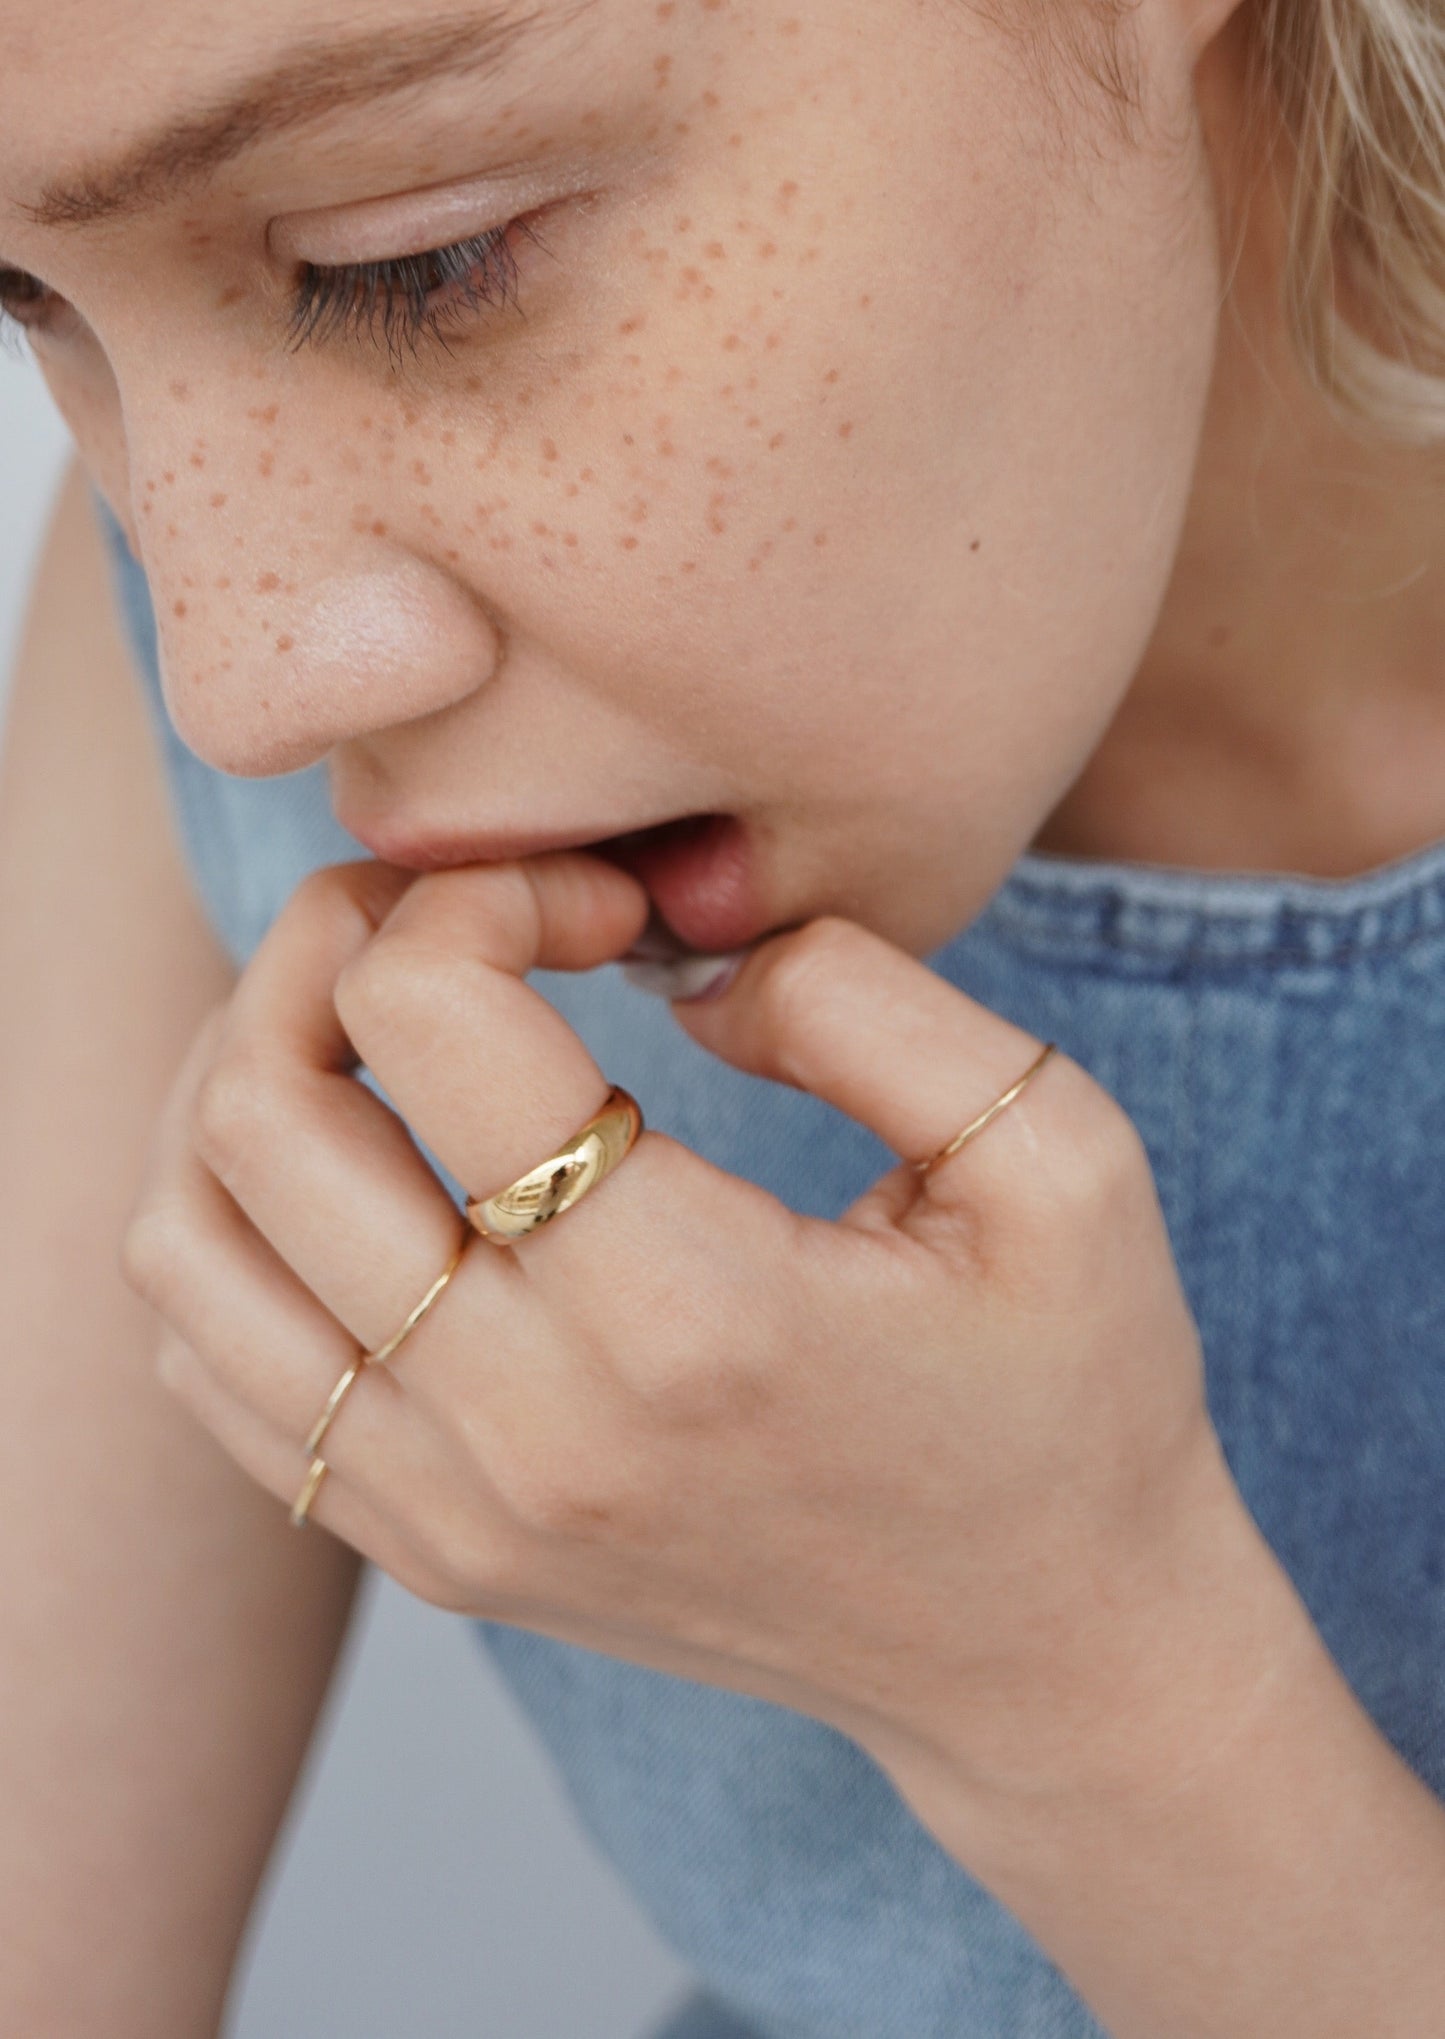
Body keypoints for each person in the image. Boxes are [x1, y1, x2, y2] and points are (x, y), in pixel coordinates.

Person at [4, 0, 1445, 2031]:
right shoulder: (188, 628)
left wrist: (1082, 1697)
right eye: (28, 302)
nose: (239, 684)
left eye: (408, 259)